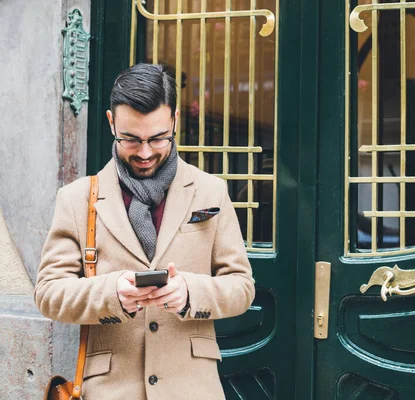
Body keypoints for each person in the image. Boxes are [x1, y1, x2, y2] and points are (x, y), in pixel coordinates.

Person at [34, 63, 255, 399]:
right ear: (111, 122)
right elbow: (48, 293)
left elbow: (241, 287)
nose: (146, 152)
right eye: (131, 139)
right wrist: (111, 294)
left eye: (157, 138)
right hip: (110, 391)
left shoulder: (211, 192)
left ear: (175, 121)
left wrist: (189, 293)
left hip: (194, 389)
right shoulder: (76, 198)